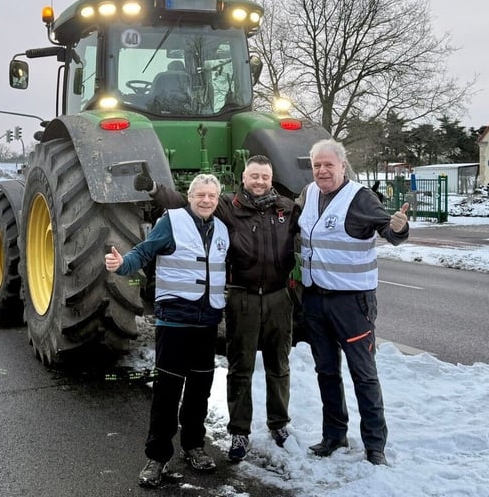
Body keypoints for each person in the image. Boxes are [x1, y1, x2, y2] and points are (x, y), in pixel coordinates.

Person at [135, 155, 299, 463]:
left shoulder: (287, 208)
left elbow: (314, 225)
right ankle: (239, 430)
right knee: (241, 366)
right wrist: (156, 189)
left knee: (279, 363)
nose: (260, 181)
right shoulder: (228, 206)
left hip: (278, 296)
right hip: (242, 296)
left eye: (265, 176)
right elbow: (191, 202)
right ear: (244, 178)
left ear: (272, 178)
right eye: (254, 176)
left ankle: (279, 424)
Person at [104, 173, 230, 489]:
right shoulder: (171, 222)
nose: (206, 200)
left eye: (211, 196)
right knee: (167, 393)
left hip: (207, 322)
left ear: (218, 199)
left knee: (200, 389)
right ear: (190, 196)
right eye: (200, 195)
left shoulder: (222, 230)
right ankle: (157, 456)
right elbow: (143, 252)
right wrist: (122, 265)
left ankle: (193, 446)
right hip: (174, 321)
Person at [296, 138, 410, 467]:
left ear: (342, 166)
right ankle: (334, 435)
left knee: (363, 374)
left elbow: (388, 228)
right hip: (316, 299)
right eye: (317, 165)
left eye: (328, 165)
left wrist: (398, 229)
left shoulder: (359, 198)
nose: (322, 171)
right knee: (326, 371)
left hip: (352, 303)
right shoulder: (308, 194)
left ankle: (375, 445)